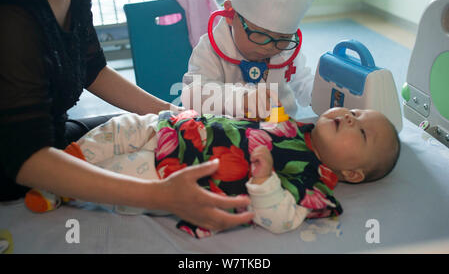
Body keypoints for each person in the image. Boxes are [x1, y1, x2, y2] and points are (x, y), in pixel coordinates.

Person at [0, 0, 253, 231]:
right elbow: (26, 157)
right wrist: (161, 196)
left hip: (52, 135)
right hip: (16, 168)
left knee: (149, 130)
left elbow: (91, 69)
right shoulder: (12, 10)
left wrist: (177, 115)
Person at [46, 106, 400, 237]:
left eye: (363, 131)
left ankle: (57, 187)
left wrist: (265, 183)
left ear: (353, 173)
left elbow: (281, 219)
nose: (353, 117)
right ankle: (70, 158)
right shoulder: (293, 122)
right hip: (175, 127)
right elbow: (252, 121)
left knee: (120, 172)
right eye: (356, 110)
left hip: (176, 171)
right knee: (121, 126)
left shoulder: (312, 181)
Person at [181, 0, 317, 120]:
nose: (270, 47)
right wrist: (241, 98)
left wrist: (325, 95)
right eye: (259, 34)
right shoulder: (210, 49)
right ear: (230, 14)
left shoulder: (287, 49)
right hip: (230, 135)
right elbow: (193, 95)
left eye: (282, 38)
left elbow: (303, 82)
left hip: (282, 130)